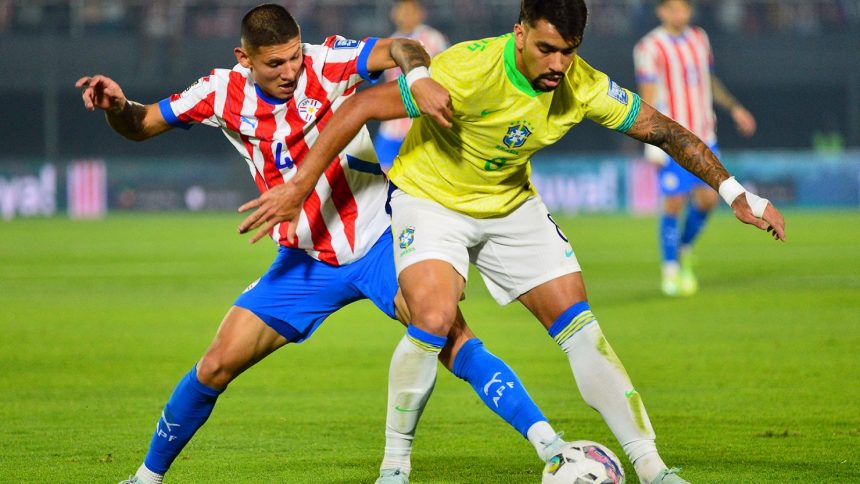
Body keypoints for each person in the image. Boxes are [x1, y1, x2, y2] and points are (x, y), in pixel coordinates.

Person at [238, 1, 787, 483]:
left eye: (568, 51)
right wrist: (299, 187)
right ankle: (395, 465)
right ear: (520, 32)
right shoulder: (466, 69)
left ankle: (652, 467)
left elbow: (666, 129)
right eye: (546, 48)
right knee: (431, 315)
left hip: (509, 202)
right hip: (431, 199)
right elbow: (359, 107)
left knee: (581, 327)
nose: (557, 64)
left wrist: (737, 193)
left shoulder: (583, 84)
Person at [76, 4, 568, 483]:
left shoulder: (329, 60)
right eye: (275, 63)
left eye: (294, 57)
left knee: (449, 336)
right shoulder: (219, 91)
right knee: (216, 363)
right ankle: (146, 477)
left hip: (383, 240)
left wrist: (416, 75)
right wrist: (119, 107)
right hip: (305, 261)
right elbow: (141, 125)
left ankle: (554, 449)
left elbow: (402, 46)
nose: (290, 70)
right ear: (243, 59)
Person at [634, 0, 757, 296]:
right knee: (674, 203)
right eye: (673, 9)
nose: (680, 14)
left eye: (684, 8)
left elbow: (708, 80)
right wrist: (651, 142)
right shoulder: (649, 47)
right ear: (661, 12)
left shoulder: (700, 38)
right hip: (673, 138)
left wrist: (735, 108)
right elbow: (647, 94)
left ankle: (683, 249)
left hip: (705, 134)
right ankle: (671, 272)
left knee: (707, 201)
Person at [374, 0, 448, 171]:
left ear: (421, 13)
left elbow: (444, 72)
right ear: (394, 14)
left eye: (411, 10)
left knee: (424, 172)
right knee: (381, 173)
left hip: (423, 117)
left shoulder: (433, 39)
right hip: (394, 122)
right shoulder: (390, 42)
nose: (406, 15)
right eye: (402, 10)